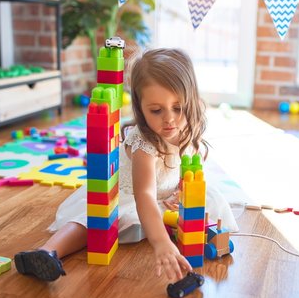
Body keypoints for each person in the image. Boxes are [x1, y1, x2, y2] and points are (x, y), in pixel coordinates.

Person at [14, 48, 238, 282]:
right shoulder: (144, 144)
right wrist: (161, 243)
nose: (169, 118)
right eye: (156, 110)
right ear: (140, 109)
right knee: (92, 224)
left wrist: (181, 190)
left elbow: (188, 167)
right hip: (125, 196)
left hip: (163, 197)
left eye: (178, 107)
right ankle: (47, 252)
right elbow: (144, 195)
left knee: (203, 205)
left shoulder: (188, 126)